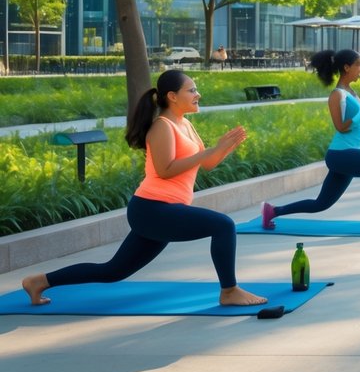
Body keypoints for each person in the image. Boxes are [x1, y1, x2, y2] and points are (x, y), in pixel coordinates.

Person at [21, 70, 265, 307]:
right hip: (152, 209)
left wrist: (224, 147)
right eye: (191, 90)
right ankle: (229, 291)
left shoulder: (185, 125)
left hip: (162, 210)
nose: (197, 94)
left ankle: (39, 281)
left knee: (113, 271)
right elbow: (165, 169)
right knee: (223, 225)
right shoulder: (162, 126)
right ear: (172, 96)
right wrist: (209, 151)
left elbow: (207, 164)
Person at [261, 50, 360, 234]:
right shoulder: (337, 95)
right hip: (340, 154)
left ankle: (272, 211)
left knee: (321, 203)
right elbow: (341, 127)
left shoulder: (353, 93)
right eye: (359, 64)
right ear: (346, 67)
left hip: (347, 155)